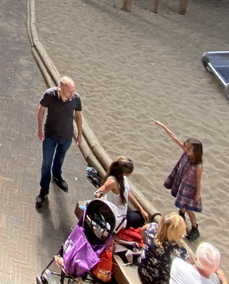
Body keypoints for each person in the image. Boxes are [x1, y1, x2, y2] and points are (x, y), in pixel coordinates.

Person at [35, 76, 82, 210]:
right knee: (46, 164)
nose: (72, 94)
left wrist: (79, 134)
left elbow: (78, 115)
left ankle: (57, 175)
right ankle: (43, 191)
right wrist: (40, 129)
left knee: (60, 158)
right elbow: (41, 110)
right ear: (60, 89)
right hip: (50, 135)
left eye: (73, 91)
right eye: (69, 92)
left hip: (66, 136)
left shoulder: (76, 98)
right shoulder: (49, 95)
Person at [155, 120, 205, 241]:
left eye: (188, 149)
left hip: (190, 188)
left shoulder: (198, 165)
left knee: (188, 208)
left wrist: (198, 193)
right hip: (182, 183)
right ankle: (181, 216)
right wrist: (163, 126)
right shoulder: (186, 154)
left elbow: (198, 180)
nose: (186, 150)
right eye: (186, 148)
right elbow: (174, 137)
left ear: (195, 151)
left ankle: (194, 227)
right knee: (182, 205)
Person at [93, 156, 147, 229]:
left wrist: (141, 209)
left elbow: (128, 193)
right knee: (141, 219)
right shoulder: (112, 181)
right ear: (127, 172)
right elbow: (97, 193)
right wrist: (104, 202)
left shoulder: (123, 178)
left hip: (122, 211)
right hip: (116, 216)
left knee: (141, 215)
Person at [139, 212, 191, 284]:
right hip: (160, 281)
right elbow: (185, 269)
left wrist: (146, 243)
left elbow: (143, 230)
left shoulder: (152, 229)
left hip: (144, 273)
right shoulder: (179, 251)